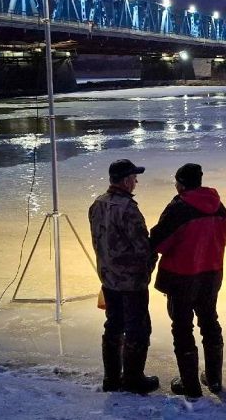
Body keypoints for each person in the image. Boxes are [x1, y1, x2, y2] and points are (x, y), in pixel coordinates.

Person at [150, 163, 226, 398]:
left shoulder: (179, 207)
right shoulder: (219, 208)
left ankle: (191, 386)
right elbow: (223, 239)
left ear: (181, 184)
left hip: (182, 278)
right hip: (211, 275)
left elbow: (158, 242)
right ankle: (214, 380)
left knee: (182, 328)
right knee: (210, 322)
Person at [89, 159, 160, 394]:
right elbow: (142, 248)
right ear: (126, 180)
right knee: (138, 329)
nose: (136, 181)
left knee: (113, 326)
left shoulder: (97, 204)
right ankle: (133, 379)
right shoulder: (128, 209)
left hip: (108, 279)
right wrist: (150, 266)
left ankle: (111, 378)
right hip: (131, 282)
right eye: (134, 177)